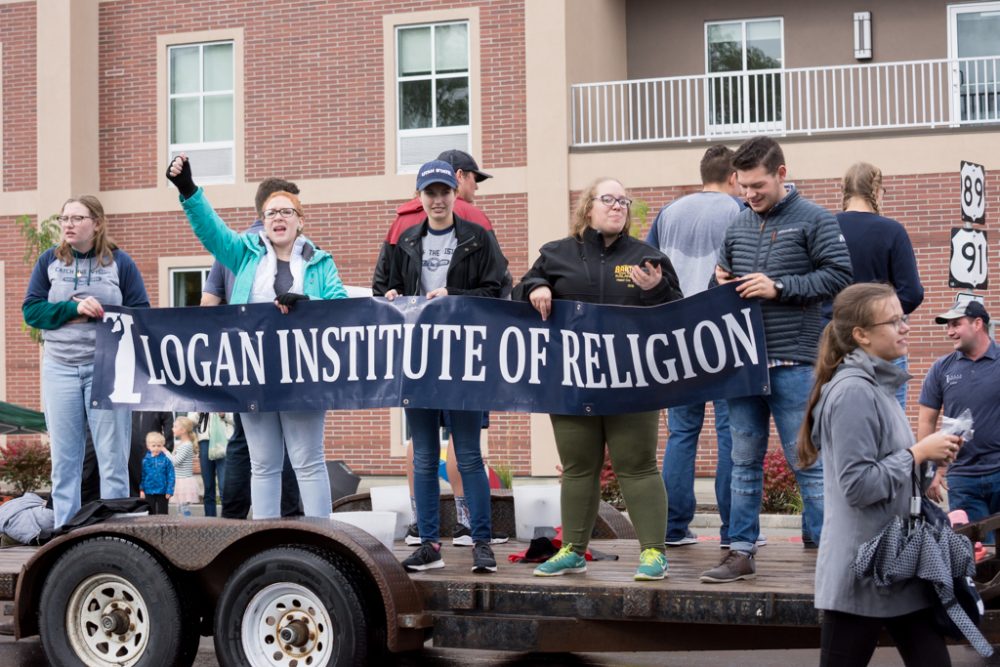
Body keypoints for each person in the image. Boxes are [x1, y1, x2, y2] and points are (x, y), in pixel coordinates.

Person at [515, 177, 683, 581]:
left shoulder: (649, 258)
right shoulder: (556, 255)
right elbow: (518, 293)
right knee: (578, 467)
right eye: (608, 199)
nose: (617, 206)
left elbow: (679, 313)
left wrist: (656, 289)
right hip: (573, 381)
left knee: (638, 466)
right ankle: (572, 549)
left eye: (623, 200)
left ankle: (653, 555)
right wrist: (536, 286)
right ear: (587, 207)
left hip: (633, 382)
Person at [701, 136, 853, 583]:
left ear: (781, 174)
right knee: (743, 464)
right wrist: (720, 280)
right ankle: (741, 552)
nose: (749, 195)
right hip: (744, 366)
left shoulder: (816, 220)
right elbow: (722, 284)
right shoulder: (739, 224)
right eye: (743, 186)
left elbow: (841, 277)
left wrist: (780, 287)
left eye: (758, 185)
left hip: (794, 362)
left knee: (808, 463)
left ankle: (833, 556)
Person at [167, 154, 347, 518]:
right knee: (263, 463)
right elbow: (211, 231)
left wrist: (309, 303)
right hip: (254, 372)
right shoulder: (245, 256)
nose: (278, 218)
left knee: (307, 461)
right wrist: (188, 190)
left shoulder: (321, 262)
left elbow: (342, 309)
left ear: (300, 221)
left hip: (304, 374)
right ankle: (264, 536)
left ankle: (323, 538)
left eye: (286, 212)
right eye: (271, 213)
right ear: (262, 222)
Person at [799, 283, 959, 666]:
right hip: (863, 570)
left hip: (898, 565)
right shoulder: (853, 392)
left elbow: (890, 468)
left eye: (903, 318)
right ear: (861, 335)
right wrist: (919, 452)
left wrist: (931, 460)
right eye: (893, 320)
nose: (905, 327)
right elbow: (858, 486)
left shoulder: (876, 387)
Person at [375, 149, 509, 547]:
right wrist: (392, 295)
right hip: (418, 358)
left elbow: (498, 290)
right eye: (429, 192)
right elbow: (380, 287)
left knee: (468, 453)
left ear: (455, 192)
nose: (437, 199)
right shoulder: (405, 239)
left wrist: (454, 294)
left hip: (463, 356)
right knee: (422, 454)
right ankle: (429, 543)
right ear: (419, 195)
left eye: (444, 191)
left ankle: (481, 542)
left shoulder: (477, 237)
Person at [22, 195, 150, 528]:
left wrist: (104, 316)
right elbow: (31, 311)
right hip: (59, 368)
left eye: (77, 218)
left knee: (112, 458)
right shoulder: (48, 261)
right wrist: (72, 310)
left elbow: (142, 313)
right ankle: (65, 531)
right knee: (65, 460)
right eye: (64, 218)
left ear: (96, 223)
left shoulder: (120, 262)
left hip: (106, 369)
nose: (68, 224)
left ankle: (116, 531)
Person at [646, 145, 743, 548]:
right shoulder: (740, 211)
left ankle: (672, 529)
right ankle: (731, 532)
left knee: (681, 434)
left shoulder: (669, 213)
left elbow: (647, 264)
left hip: (675, 336)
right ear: (734, 176)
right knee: (729, 434)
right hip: (722, 336)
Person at [201, 177, 303, 519]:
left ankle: (232, 517)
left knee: (244, 442)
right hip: (279, 358)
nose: (288, 216)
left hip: (240, 357)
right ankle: (288, 515)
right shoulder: (279, 246)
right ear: (268, 208)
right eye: (286, 207)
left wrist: (216, 357)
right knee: (284, 442)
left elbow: (209, 304)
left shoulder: (231, 248)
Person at [831, 162, 924, 407]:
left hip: (836, 341)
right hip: (883, 342)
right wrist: (884, 319)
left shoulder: (826, 229)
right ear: (878, 190)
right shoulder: (891, 231)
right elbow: (912, 293)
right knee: (890, 426)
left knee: (839, 422)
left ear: (844, 190)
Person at [919, 298, 1000, 539]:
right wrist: (929, 471)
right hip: (962, 478)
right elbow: (926, 422)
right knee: (973, 553)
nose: (950, 332)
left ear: (977, 324)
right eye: (948, 326)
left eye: (956, 324)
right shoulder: (941, 369)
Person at [188, 412, 232, 517]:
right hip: (205, 442)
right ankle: (210, 521)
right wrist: (200, 411)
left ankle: (228, 519)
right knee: (208, 487)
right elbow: (189, 422)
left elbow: (238, 419)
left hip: (224, 441)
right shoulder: (201, 396)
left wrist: (224, 415)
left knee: (224, 486)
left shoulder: (228, 397)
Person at [128, 412, 173, 497]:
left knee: (154, 480)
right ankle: (136, 505)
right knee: (134, 479)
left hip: (154, 449)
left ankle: (155, 507)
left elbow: (168, 424)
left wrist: (166, 447)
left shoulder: (159, 401)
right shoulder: (131, 401)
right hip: (131, 448)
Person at [167, 416, 199, 514]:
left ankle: (186, 526)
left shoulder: (186, 445)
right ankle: (182, 526)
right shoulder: (181, 444)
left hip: (184, 482)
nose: (172, 429)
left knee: (184, 509)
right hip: (178, 480)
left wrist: (165, 452)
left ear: (183, 430)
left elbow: (175, 461)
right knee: (179, 509)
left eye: (175, 427)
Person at [139, 431, 174, 515]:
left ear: (163, 446)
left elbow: (171, 476)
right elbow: (142, 476)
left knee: (163, 512)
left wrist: (169, 490)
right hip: (148, 491)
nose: (156, 448)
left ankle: (164, 527)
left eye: (159, 446)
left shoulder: (166, 460)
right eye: (153, 446)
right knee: (150, 512)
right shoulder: (145, 461)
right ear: (148, 446)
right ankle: (152, 527)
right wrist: (141, 490)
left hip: (163, 491)